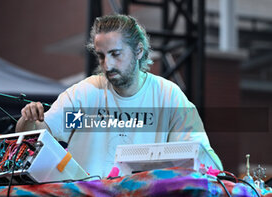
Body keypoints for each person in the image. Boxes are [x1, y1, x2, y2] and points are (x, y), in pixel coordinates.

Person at [16, 14, 223, 177]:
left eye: (115, 54)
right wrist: (29, 120)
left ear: (139, 51)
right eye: (101, 56)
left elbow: (201, 157)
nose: (108, 65)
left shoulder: (168, 98)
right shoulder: (85, 95)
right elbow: (38, 133)